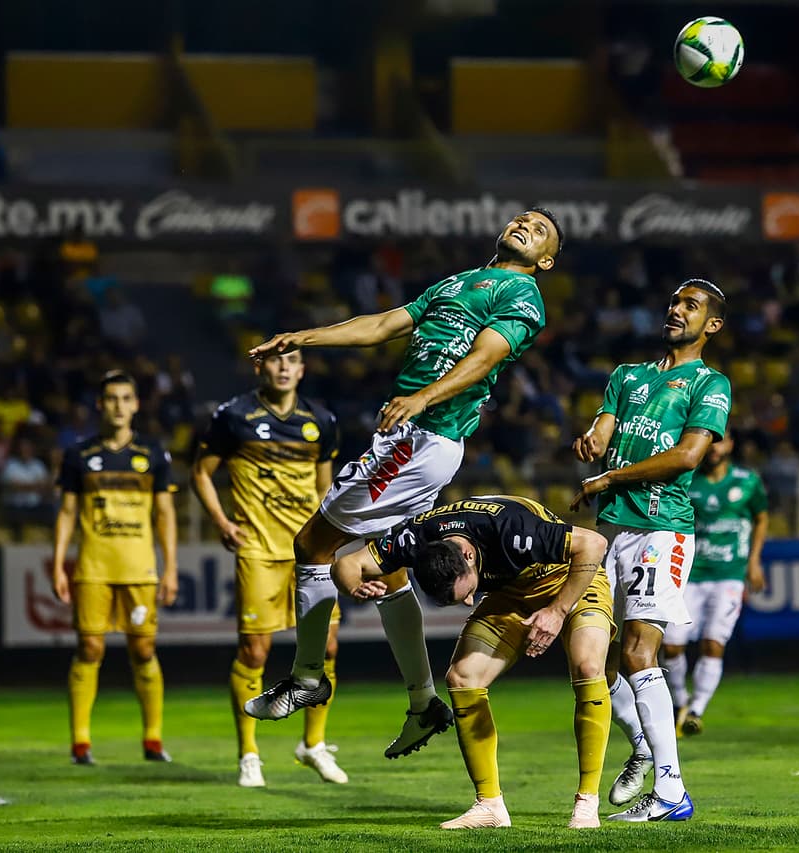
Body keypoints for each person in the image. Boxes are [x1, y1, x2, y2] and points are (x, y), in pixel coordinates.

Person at [243, 209, 562, 760]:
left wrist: (422, 397)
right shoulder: (459, 281)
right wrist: (305, 338)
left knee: (312, 545)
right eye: (521, 220)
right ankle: (423, 701)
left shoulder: (523, 294)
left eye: (538, 231)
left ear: (546, 261)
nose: (523, 227)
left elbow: (487, 358)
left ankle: (307, 676)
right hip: (419, 436)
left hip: (422, 435)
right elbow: (385, 323)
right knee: (388, 571)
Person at [332, 495, 612, 830]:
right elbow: (345, 564)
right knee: (463, 678)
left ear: (468, 555)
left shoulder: (513, 530)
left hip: (571, 582)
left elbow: (594, 544)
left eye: (467, 592)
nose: (468, 602)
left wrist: (557, 611)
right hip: (510, 596)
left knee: (587, 666)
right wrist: (354, 587)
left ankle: (587, 802)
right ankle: (489, 806)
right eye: (462, 598)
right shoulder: (417, 538)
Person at [571, 279, 731, 821]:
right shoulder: (627, 375)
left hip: (660, 529)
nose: (675, 310)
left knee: (639, 653)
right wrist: (593, 438)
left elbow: (688, 457)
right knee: (591, 660)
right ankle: (643, 744)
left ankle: (670, 793)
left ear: (711, 325)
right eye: (674, 302)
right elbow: (604, 427)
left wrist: (607, 475)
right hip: (608, 530)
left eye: (690, 306)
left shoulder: (710, 384)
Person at [190, 349, 347, 787]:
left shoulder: (322, 420)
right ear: (260, 367)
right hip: (258, 548)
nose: (282, 367)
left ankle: (312, 745)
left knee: (328, 649)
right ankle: (249, 754)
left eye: (291, 360)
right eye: (275, 360)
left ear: (301, 369)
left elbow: (324, 488)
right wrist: (221, 521)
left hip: (310, 552)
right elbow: (200, 472)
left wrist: (332, 538)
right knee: (253, 652)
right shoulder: (233, 415)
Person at [52, 370, 178, 765]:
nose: (119, 406)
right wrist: (58, 564)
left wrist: (170, 567)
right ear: (100, 405)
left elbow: (165, 514)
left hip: (139, 567)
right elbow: (67, 512)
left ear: (136, 405)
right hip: (93, 566)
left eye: (126, 398)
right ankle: (80, 743)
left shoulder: (153, 453)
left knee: (143, 649)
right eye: (112, 399)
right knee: (90, 648)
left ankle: (153, 740)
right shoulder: (79, 455)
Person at [662, 427, 768, 736]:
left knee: (713, 643)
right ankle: (681, 702)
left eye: (720, 442)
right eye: (709, 443)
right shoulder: (686, 478)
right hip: (688, 574)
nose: (714, 449)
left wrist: (754, 560)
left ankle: (696, 710)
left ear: (731, 444)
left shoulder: (747, 482)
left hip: (728, 575)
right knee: (670, 646)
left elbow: (761, 516)